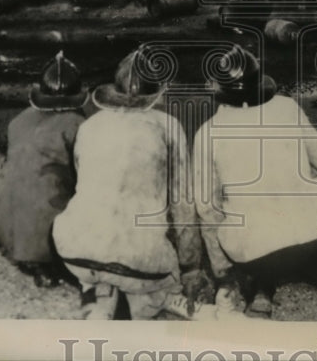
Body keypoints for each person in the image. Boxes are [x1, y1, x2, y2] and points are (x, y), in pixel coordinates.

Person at [192, 45, 317, 320]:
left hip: (255, 248)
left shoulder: (207, 133)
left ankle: (261, 291)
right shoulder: (287, 107)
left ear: (219, 91)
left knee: (241, 215)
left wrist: (223, 271)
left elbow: (207, 208)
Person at [52, 45, 215, 320]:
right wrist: (190, 268)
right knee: (154, 291)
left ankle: (101, 294)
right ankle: (147, 302)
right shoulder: (167, 126)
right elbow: (182, 204)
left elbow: (84, 182)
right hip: (141, 262)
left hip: (73, 251)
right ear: (156, 92)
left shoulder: (90, 126)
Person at [0, 50, 89, 288]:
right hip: (52, 232)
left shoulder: (18, 121)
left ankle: (37, 261)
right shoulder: (77, 125)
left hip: (12, 227)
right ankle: (55, 260)